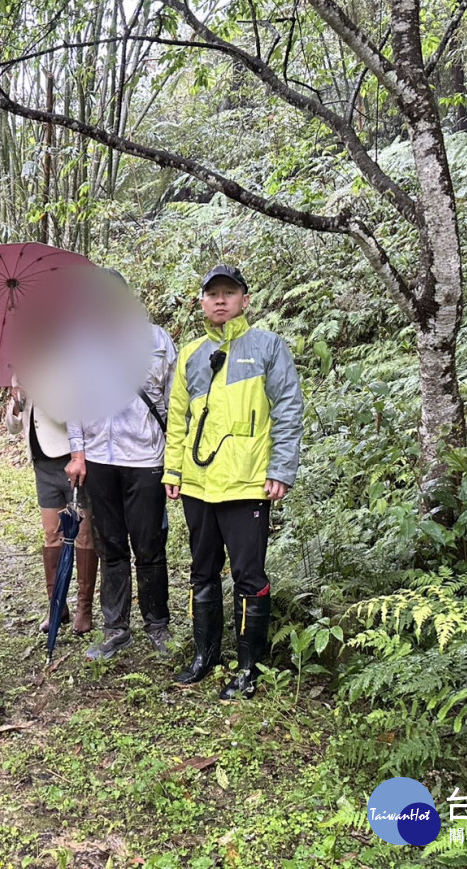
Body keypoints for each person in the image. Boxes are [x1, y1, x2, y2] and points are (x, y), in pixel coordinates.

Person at [163, 264, 303, 700]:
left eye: (229, 292)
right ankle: (205, 656)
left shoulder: (267, 347)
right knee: (201, 571)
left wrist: (281, 469)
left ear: (244, 299)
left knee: (248, 574)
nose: (220, 300)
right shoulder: (190, 355)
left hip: (248, 485)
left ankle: (249, 666)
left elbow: (288, 409)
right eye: (213, 294)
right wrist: (173, 471)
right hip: (198, 485)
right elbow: (178, 420)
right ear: (201, 302)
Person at [66, 271, 176, 660]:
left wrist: (174, 459)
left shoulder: (156, 339)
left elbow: (174, 401)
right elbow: (74, 403)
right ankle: (116, 628)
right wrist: (77, 453)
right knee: (109, 545)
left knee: (149, 545)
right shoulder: (80, 344)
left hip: (146, 457)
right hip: (98, 458)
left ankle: (157, 625)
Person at [5, 376, 98, 634]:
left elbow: (68, 414)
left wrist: (34, 386)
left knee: (82, 534)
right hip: (42, 464)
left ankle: (84, 607)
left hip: (70, 459)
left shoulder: (66, 367)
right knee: (51, 535)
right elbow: (12, 426)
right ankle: (57, 605)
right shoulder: (21, 371)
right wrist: (15, 402)